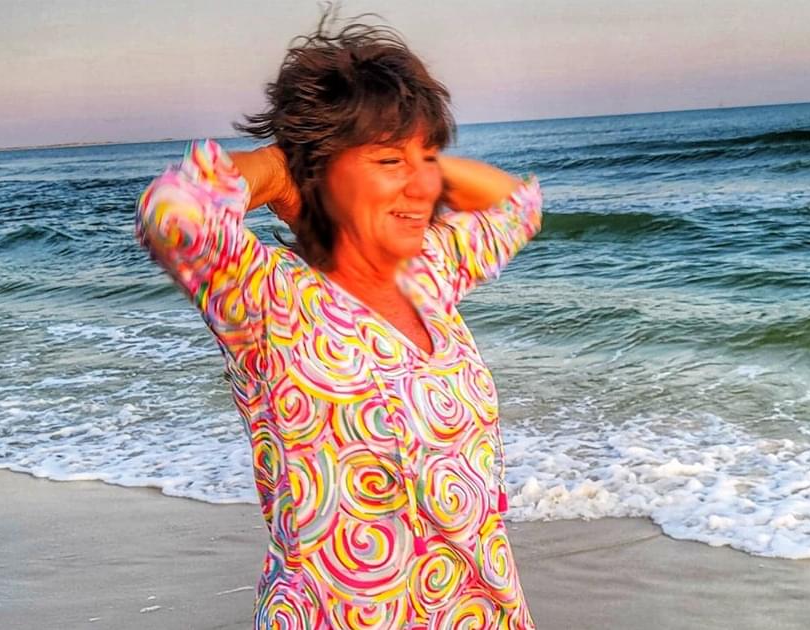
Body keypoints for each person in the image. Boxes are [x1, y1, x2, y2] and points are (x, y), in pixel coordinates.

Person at [134, 14, 541, 630]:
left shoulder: (427, 268)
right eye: (387, 159)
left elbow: (516, 204)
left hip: (481, 611)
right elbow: (173, 213)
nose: (421, 181)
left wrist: (411, 166)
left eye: (429, 155)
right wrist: (284, 169)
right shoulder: (265, 297)